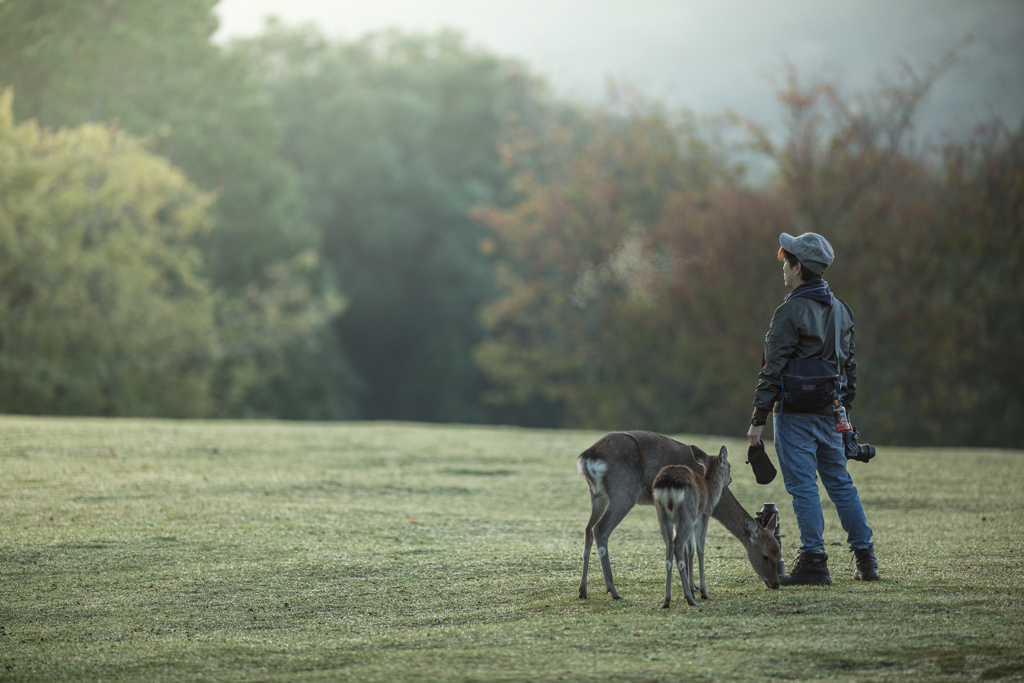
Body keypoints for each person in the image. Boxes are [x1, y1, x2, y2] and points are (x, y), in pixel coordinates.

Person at [746, 232, 878, 585]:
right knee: (840, 484)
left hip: (794, 415)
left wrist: (758, 420)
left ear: (798, 266)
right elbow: (849, 369)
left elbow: (771, 370)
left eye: (785, 263)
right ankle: (866, 559)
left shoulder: (789, 310)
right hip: (831, 413)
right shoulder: (842, 310)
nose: (783, 270)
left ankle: (814, 562)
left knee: (803, 486)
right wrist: (842, 414)